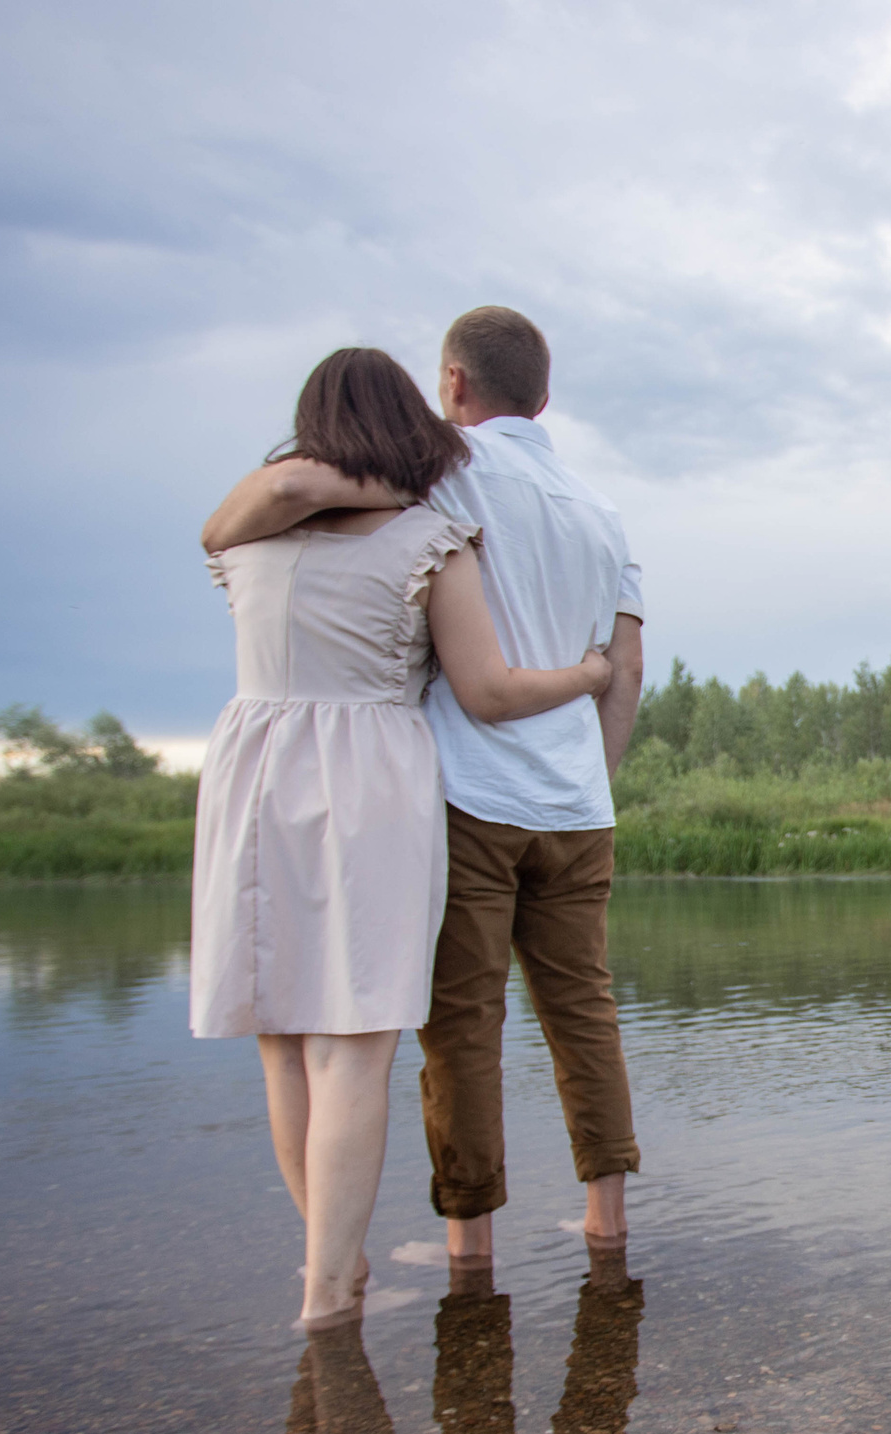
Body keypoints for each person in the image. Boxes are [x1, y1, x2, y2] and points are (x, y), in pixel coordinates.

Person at [203, 307, 647, 1264]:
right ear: (543, 394)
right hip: (578, 807)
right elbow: (627, 666)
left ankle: (469, 1244)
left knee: (462, 1027)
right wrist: (586, 782)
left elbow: (279, 498)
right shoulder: (603, 513)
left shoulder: (439, 465)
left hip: (469, 796)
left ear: (452, 385)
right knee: (585, 1012)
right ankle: (606, 1221)